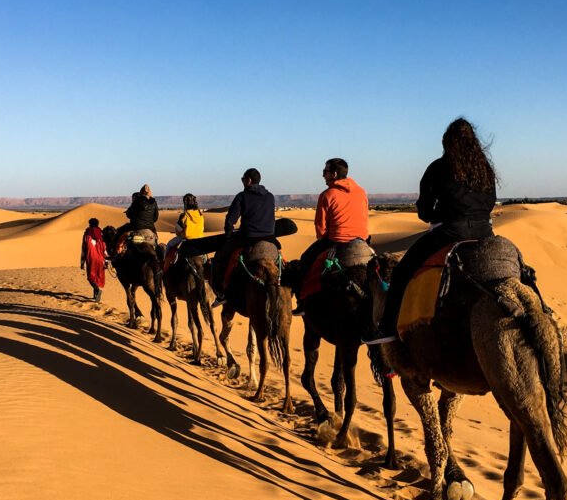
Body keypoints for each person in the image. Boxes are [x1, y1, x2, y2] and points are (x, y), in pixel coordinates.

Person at [364, 117, 497, 344]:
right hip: (485, 233)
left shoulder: (439, 167)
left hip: (451, 233)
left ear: (447, 143)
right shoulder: (484, 168)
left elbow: (424, 210)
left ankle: (387, 328)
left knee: (402, 272)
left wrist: (436, 215)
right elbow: (491, 201)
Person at [293, 158, 369, 315]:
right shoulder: (361, 191)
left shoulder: (327, 195)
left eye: (325, 172)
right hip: (362, 240)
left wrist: (323, 237)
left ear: (334, 174)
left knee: (305, 259)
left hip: (336, 241)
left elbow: (321, 229)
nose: (323, 176)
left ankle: (302, 302)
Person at [211, 168, 276, 306]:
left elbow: (230, 220)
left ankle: (221, 293)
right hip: (270, 239)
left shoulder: (242, 196)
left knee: (219, 258)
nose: (242, 182)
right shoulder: (270, 196)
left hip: (248, 238)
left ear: (249, 181)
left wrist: (228, 236)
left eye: (243, 179)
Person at [112, 184, 160, 255]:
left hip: (136, 227)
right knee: (156, 241)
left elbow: (129, 214)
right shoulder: (154, 202)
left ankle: (117, 253)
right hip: (150, 228)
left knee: (120, 235)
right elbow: (155, 217)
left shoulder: (137, 201)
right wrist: (148, 220)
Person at [165, 193, 204, 258]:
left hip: (186, 240)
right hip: (199, 241)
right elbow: (202, 228)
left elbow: (178, 230)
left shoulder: (184, 216)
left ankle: (164, 264)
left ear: (185, 203)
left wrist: (180, 233)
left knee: (169, 244)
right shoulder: (200, 215)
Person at [80, 217, 107, 302]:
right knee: (97, 277)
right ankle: (95, 296)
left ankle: (97, 291)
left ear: (90, 224)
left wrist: (82, 262)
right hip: (101, 259)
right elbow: (105, 249)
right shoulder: (102, 235)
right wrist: (106, 261)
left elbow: (84, 249)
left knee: (91, 277)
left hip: (91, 259)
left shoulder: (87, 234)